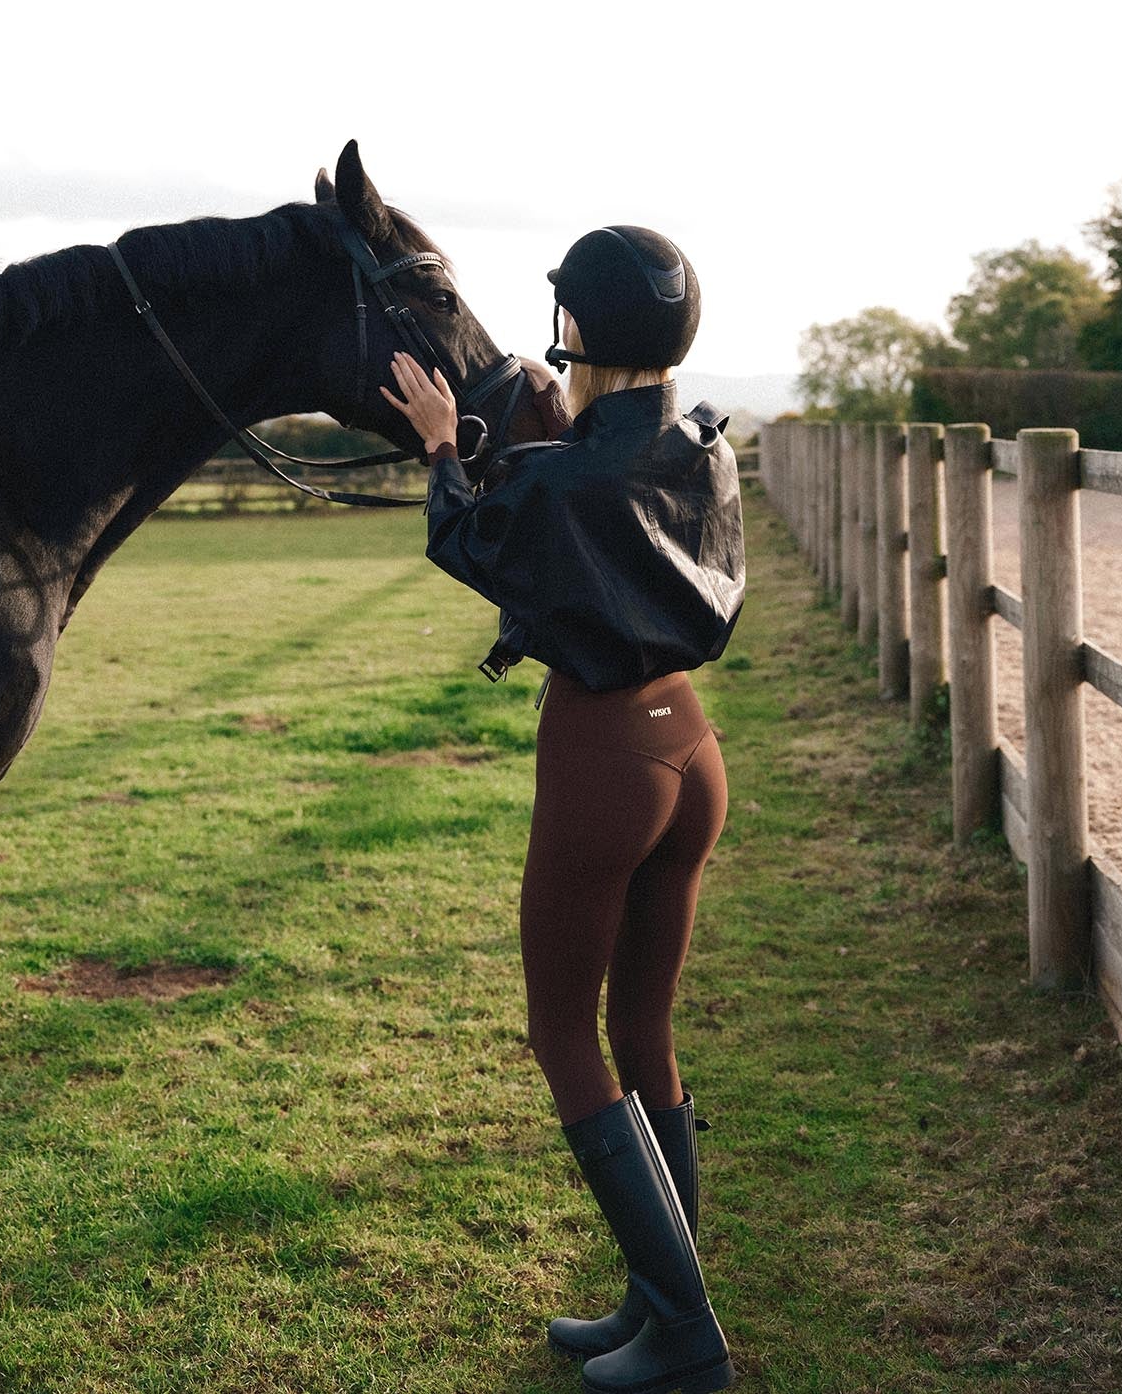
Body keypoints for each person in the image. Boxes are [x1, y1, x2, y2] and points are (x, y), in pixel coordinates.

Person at [380, 225, 744, 1394]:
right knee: (644, 1027)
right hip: (690, 746)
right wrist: (551, 424)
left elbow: (467, 536)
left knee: (562, 1034)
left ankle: (687, 1334)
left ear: (576, 325)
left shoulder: (561, 479)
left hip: (605, 762)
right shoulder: (706, 443)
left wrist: (443, 443)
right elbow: (600, 493)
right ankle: (658, 1295)